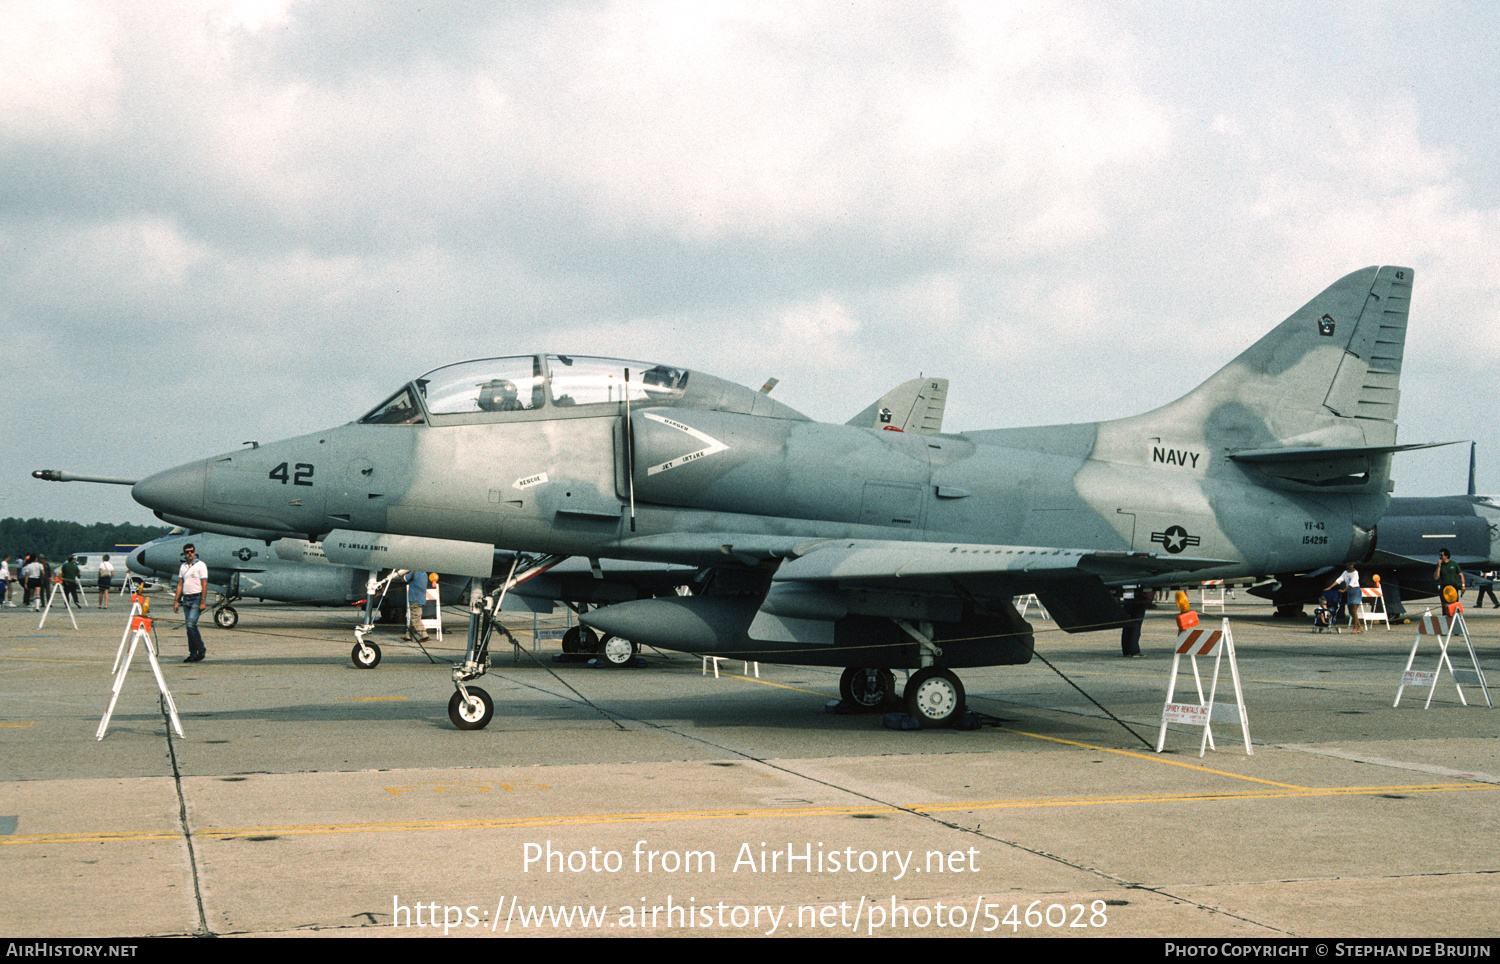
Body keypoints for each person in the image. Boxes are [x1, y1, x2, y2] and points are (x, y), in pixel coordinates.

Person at [174, 543, 209, 662]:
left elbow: (204, 584)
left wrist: (203, 601)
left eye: (192, 551)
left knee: (190, 625)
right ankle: (193, 654)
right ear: (184, 554)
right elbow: (180, 584)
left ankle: (201, 648)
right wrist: (176, 601)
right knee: (189, 629)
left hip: (196, 598)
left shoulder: (201, 565)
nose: (190, 553)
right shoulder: (183, 566)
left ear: (195, 552)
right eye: (187, 552)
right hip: (186, 599)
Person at [1330, 564, 1363, 633]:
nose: (1349, 566)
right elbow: (1339, 580)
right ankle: (1359, 626)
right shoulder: (1345, 572)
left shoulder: (1355, 573)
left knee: (1354, 610)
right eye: (1348, 565)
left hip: (1355, 590)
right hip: (1349, 591)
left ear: (1353, 565)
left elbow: (1351, 583)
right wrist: (1330, 587)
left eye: (1350, 565)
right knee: (1350, 610)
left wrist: (1343, 590)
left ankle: (1355, 628)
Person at [1119, 584, 1148, 657]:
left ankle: (1126, 650)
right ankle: (1134, 650)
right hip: (1137, 598)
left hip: (1126, 599)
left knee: (1126, 626)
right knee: (1136, 625)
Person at [403, 570, 432, 643]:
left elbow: (403, 579)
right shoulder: (424, 573)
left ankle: (424, 636)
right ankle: (408, 636)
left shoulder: (414, 572)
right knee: (413, 618)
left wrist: (405, 573)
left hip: (414, 599)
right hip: (421, 599)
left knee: (415, 619)